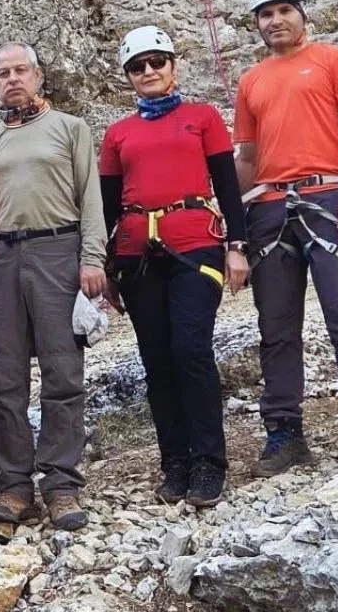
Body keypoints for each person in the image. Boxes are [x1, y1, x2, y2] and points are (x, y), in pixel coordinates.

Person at [234, 0, 338, 474]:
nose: (276, 19)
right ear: (257, 22)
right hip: (270, 208)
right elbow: (246, 157)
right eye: (266, 13)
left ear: (303, 13)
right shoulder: (252, 80)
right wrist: (236, 229)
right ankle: (284, 433)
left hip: (330, 199)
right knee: (276, 327)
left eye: (284, 10)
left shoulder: (335, 61)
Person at [98, 26, 249, 508]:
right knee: (157, 359)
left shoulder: (202, 118)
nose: (148, 72)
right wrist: (103, 266)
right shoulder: (118, 134)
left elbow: (227, 184)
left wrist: (238, 246)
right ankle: (175, 464)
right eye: (137, 66)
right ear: (128, 76)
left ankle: (209, 462)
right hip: (136, 254)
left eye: (156, 62)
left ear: (172, 66)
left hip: (196, 246)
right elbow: (106, 206)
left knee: (190, 348)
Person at [0, 42, 106, 531]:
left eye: (20, 70)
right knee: (4, 377)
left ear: (38, 74)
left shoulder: (70, 129)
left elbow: (91, 198)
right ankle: (13, 483)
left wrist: (92, 259)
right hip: (1, 260)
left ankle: (61, 482)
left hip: (58, 251)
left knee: (62, 370)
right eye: (2, 73)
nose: (12, 79)